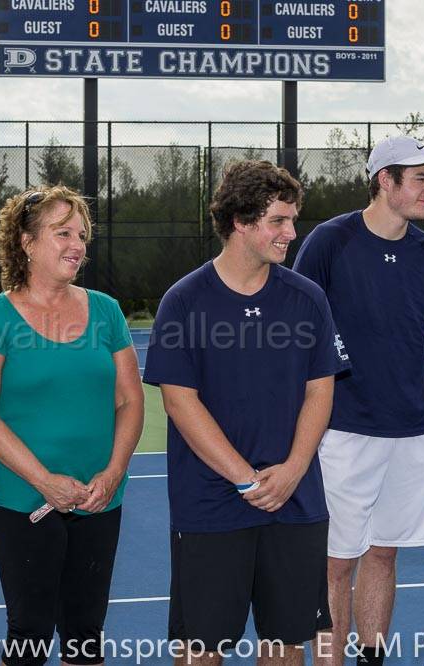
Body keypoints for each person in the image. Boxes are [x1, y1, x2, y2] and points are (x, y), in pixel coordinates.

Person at [143, 160, 349, 666]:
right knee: (200, 648)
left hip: (294, 502)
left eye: (292, 219)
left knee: (285, 643)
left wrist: (293, 472)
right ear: (240, 221)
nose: (291, 233)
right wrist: (245, 480)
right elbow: (179, 401)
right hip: (210, 504)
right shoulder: (184, 301)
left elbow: (320, 392)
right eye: (278, 220)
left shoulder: (307, 298)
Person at [0, 185, 144, 666]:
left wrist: (114, 471)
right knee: (30, 633)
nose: (76, 244)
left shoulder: (106, 310)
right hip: (24, 500)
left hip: (100, 498)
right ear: (27, 242)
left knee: (86, 634)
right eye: (62, 233)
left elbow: (130, 399)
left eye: (81, 233)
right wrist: (45, 482)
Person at [293, 136, 424, 666]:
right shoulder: (328, 241)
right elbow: (299, 328)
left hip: (413, 427)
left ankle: (371, 657)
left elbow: (410, 329)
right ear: (385, 181)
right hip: (344, 427)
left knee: (384, 553)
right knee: (337, 561)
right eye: (421, 178)